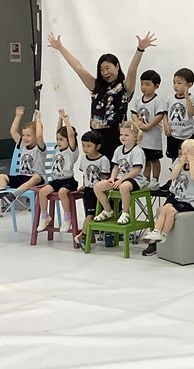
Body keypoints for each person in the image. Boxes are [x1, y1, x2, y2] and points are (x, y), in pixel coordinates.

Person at [47, 31, 157, 160]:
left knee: (114, 167)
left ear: (117, 66)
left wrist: (140, 49)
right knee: (95, 165)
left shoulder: (124, 87)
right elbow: (78, 68)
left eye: (107, 68)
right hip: (96, 135)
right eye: (101, 70)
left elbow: (132, 70)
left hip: (116, 134)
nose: (105, 72)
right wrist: (60, 48)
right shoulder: (95, 86)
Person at [141, 139, 194, 256]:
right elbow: (172, 176)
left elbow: (193, 177)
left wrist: (191, 163)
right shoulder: (178, 163)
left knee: (171, 211)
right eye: (183, 153)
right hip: (176, 196)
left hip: (190, 201)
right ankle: (156, 232)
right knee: (164, 208)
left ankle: (164, 235)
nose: (184, 156)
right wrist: (179, 164)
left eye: (188, 154)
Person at [0, 106, 46, 205]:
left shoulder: (39, 148)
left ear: (35, 136)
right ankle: (1, 192)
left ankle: (14, 194)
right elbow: (13, 132)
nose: (25, 138)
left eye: (28, 136)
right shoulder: (23, 146)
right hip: (21, 177)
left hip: (36, 179)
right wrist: (18, 116)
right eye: (23, 135)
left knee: (36, 177)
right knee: (1, 176)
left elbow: (39, 135)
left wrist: (38, 120)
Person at [93, 121, 146, 225]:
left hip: (135, 179)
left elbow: (136, 170)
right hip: (120, 179)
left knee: (124, 187)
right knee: (98, 186)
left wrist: (121, 180)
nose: (123, 137)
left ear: (135, 136)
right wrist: (112, 178)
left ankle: (125, 213)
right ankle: (108, 210)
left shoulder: (137, 151)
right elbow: (116, 167)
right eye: (121, 134)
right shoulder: (118, 149)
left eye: (126, 135)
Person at [36, 109, 79, 233]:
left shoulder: (71, 150)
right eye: (57, 139)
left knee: (62, 193)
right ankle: (44, 216)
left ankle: (67, 217)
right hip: (56, 181)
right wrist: (60, 118)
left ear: (68, 141)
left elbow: (71, 135)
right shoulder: (57, 148)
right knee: (42, 192)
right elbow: (58, 131)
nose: (58, 142)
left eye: (61, 140)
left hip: (68, 181)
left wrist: (67, 121)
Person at [74, 130, 111, 248]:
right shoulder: (83, 159)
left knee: (104, 213)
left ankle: (108, 235)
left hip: (101, 192)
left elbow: (105, 177)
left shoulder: (103, 160)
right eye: (83, 145)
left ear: (98, 146)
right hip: (89, 191)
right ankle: (86, 237)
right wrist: (84, 185)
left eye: (89, 146)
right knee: (89, 214)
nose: (85, 148)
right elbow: (84, 174)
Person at [130, 69, 165, 189]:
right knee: (145, 159)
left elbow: (160, 115)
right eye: (142, 84)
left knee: (154, 159)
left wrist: (149, 126)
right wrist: (137, 122)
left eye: (147, 84)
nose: (143, 87)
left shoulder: (157, 101)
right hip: (142, 137)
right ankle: (146, 179)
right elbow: (133, 112)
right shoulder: (138, 100)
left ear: (156, 86)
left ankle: (155, 180)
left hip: (153, 137)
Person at [163, 68, 194, 162]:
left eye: (179, 83)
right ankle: (174, 172)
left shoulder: (192, 99)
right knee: (174, 159)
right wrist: (166, 125)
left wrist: (187, 97)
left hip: (187, 135)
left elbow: (191, 113)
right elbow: (165, 113)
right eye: (174, 82)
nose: (175, 86)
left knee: (188, 160)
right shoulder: (170, 99)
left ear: (189, 85)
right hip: (173, 135)